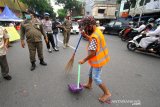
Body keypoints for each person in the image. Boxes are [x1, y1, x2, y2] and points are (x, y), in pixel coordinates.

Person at [79, 16, 111, 102]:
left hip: (98, 61)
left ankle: (107, 93)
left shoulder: (94, 37)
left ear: (91, 25)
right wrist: (85, 35)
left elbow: (93, 53)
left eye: (86, 27)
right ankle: (89, 84)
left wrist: (84, 60)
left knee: (96, 78)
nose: (86, 29)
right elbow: (93, 40)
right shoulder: (97, 32)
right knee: (90, 73)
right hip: (96, 60)